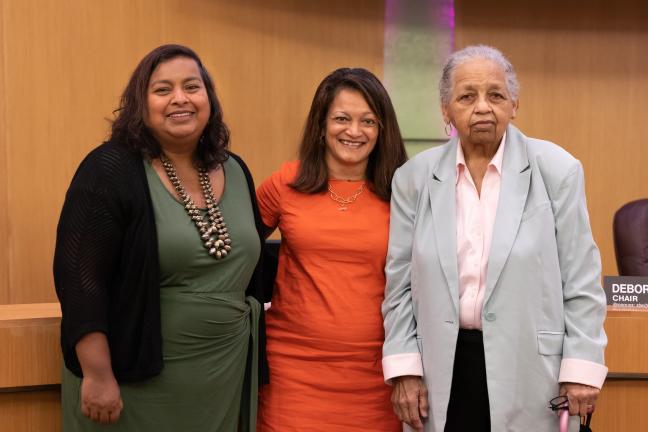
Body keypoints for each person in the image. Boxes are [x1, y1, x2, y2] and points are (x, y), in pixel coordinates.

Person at [382, 45, 608, 432]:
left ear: (514, 104)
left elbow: (582, 280)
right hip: (441, 367)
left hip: (532, 370)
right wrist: (404, 368)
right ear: (445, 109)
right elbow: (399, 285)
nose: (483, 107)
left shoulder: (558, 170)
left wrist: (582, 366)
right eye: (467, 96)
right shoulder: (414, 179)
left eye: (496, 95)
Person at [54, 44, 267, 431]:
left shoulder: (235, 169)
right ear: (141, 103)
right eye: (163, 89)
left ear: (209, 98)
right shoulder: (109, 169)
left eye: (192, 86)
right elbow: (79, 279)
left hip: (220, 376)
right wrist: (97, 374)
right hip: (133, 379)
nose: (180, 98)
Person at [256, 68, 408, 431]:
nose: (354, 132)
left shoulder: (404, 192)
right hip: (292, 372)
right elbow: (234, 251)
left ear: (382, 130)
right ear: (321, 125)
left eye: (368, 121)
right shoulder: (285, 183)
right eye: (342, 118)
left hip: (375, 377)